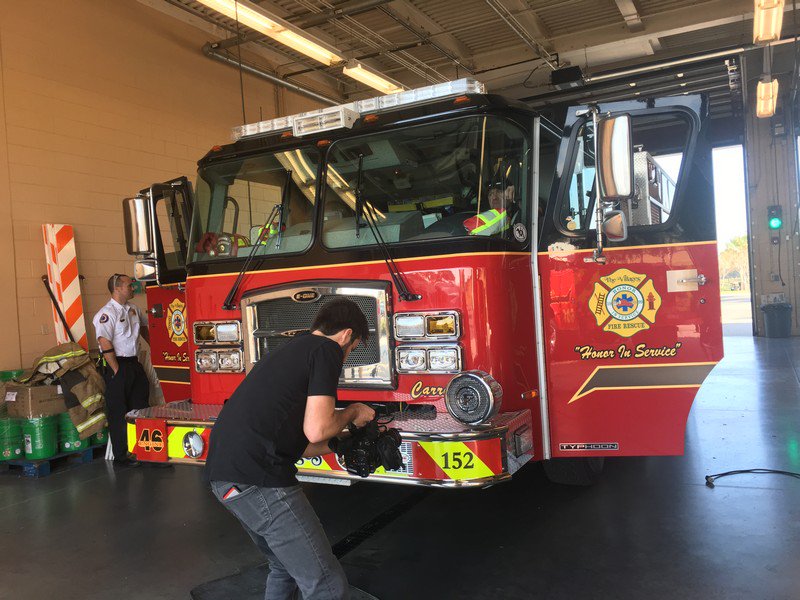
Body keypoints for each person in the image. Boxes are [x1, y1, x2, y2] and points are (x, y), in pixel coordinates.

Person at [206, 298, 375, 600]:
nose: (347, 355)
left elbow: (305, 444)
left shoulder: (290, 350)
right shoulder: (326, 350)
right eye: (353, 348)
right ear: (347, 335)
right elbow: (318, 428)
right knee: (326, 585)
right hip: (259, 479)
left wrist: (343, 440)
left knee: (283, 566)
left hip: (226, 478)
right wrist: (353, 411)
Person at [92, 273, 150, 465]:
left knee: (141, 407)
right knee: (119, 411)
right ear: (117, 288)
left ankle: (144, 450)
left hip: (134, 363)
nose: (133, 288)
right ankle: (122, 455)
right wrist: (116, 370)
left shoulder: (134, 309)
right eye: (129, 285)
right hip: (117, 364)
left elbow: (145, 329)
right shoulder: (107, 314)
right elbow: (104, 342)